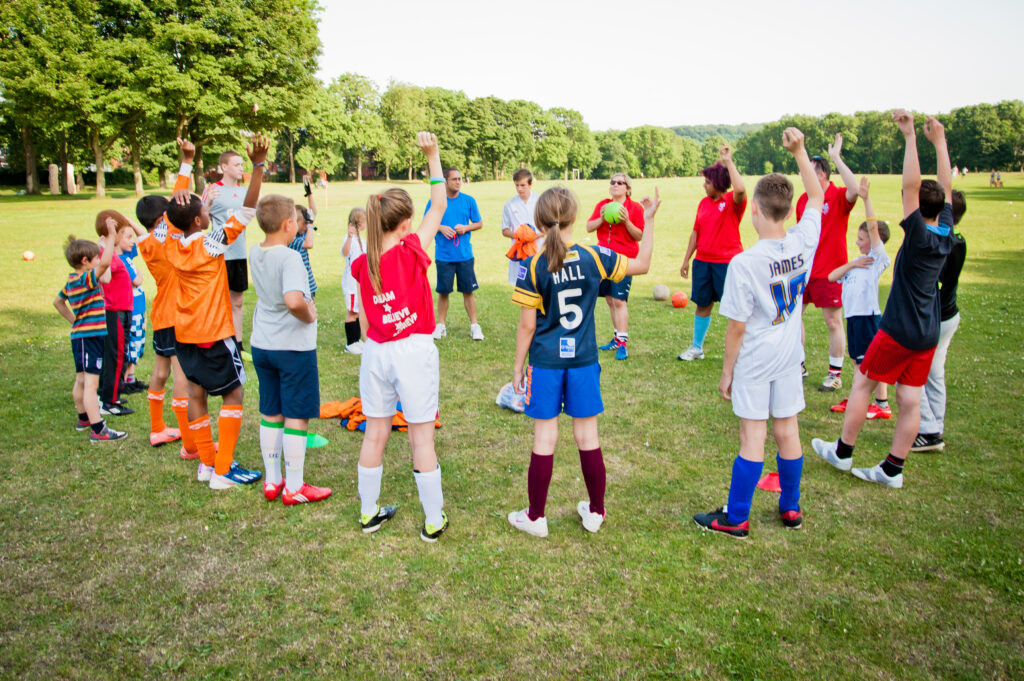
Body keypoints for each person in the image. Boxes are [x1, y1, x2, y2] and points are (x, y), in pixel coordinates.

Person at [812, 111, 954, 489]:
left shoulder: (921, 235)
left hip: (899, 329)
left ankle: (842, 453)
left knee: (862, 383)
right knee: (910, 399)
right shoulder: (945, 230)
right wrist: (939, 143)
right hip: (927, 332)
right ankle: (893, 469)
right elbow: (943, 188)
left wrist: (910, 137)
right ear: (943, 208)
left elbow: (911, 187)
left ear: (916, 209)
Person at [506, 186, 658, 538]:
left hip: (545, 362)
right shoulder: (595, 256)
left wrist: (517, 368)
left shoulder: (532, 265)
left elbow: (528, 325)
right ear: (575, 218)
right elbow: (644, 265)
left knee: (545, 438)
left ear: (539, 222)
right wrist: (647, 221)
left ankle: (536, 517)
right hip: (583, 360)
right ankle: (596, 510)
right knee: (587, 436)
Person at [693, 127, 822, 539]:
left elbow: (736, 327)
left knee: (754, 435)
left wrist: (727, 371)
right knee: (788, 430)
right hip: (788, 356)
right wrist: (800, 152)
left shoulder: (746, 263)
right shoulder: (803, 241)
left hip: (756, 358)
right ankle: (791, 508)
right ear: (787, 210)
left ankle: (737, 516)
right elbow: (817, 197)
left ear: (757, 212)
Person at [350, 131, 449, 542]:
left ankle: (368, 512)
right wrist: (433, 156)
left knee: (376, 433)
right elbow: (440, 204)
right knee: (421, 438)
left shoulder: (361, 263)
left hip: (376, 352)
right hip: (412, 351)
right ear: (405, 223)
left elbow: (361, 316)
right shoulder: (410, 249)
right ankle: (433, 519)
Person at [165, 133, 271, 490]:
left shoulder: (170, 243)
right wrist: (257, 166)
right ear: (197, 221)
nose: (207, 212)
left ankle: (207, 464)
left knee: (196, 394)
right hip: (214, 334)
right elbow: (249, 210)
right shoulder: (211, 245)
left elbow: (171, 214)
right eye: (203, 210)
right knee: (233, 395)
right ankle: (222, 470)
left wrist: (185, 166)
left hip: (184, 335)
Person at [249, 192, 331, 505]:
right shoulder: (290, 257)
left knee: (272, 410)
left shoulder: (257, 252)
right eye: (296, 219)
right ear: (288, 224)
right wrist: (310, 313)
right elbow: (294, 300)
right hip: (292, 346)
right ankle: (294, 486)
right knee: (296, 413)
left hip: (263, 343)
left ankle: (273, 481)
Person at [129, 144, 196, 451]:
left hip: (161, 316)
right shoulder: (167, 232)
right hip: (178, 317)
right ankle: (189, 442)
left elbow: (172, 201)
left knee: (159, 371)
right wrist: (186, 163)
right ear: (162, 217)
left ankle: (157, 428)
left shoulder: (145, 242)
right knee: (182, 378)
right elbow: (179, 196)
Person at [796, 134, 859, 392]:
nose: (803, 177)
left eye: (809, 172)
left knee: (833, 322)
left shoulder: (838, 195)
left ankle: (834, 374)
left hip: (830, 273)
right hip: (804, 271)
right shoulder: (803, 200)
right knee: (792, 317)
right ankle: (797, 364)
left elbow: (855, 190)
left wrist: (836, 158)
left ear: (822, 175)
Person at [54, 220, 126, 442]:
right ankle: (98, 429)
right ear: (85, 261)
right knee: (91, 384)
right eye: (95, 258)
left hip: (80, 336)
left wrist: (74, 321)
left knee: (81, 379)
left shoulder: (71, 280)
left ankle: (83, 418)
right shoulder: (86, 278)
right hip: (90, 337)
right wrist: (112, 235)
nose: (99, 261)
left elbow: (58, 302)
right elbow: (105, 263)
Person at [827, 178, 892, 420]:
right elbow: (832, 276)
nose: (858, 242)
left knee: (873, 362)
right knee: (858, 361)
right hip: (853, 319)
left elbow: (874, 229)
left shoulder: (876, 259)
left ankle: (881, 403)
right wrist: (852, 263)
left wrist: (866, 199)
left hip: (867, 318)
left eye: (862, 239)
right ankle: (858, 398)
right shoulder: (858, 263)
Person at [677, 146, 747, 361]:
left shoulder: (732, 203)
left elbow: (741, 189)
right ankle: (697, 347)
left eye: (707, 182)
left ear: (718, 183)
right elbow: (695, 233)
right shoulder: (703, 203)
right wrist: (687, 259)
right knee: (702, 304)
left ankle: (744, 350)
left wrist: (728, 161)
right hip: (703, 262)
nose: (704, 185)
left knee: (736, 308)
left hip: (727, 263)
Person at [912, 190, 967, 452]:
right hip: (949, 314)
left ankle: (928, 428)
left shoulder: (939, 244)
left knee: (913, 372)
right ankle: (936, 426)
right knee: (935, 373)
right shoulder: (958, 240)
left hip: (934, 317)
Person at [588, 173, 645, 360]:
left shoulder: (634, 208)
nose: (615, 185)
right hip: (603, 258)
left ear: (627, 188)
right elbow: (589, 227)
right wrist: (602, 218)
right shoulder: (602, 205)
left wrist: (627, 221)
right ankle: (615, 338)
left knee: (619, 301)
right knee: (610, 299)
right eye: (613, 182)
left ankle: (623, 343)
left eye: (620, 183)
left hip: (624, 258)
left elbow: (639, 235)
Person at [428, 167, 484, 341]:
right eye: (454, 179)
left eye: (460, 179)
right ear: (445, 181)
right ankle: (441, 326)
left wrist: (466, 227)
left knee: (468, 291)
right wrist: (440, 227)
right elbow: (427, 223)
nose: (459, 182)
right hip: (444, 256)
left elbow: (479, 223)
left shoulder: (468, 201)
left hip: (464, 255)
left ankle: (475, 326)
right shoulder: (436, 202)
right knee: (443, 292)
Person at [203, 148, 248, 347]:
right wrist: (208, 202)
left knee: (237, 301)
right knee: (220, 302)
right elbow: (202, 221)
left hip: (239, 253)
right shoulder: (212, 190)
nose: (241, 168)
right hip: (220, 254)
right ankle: (221, 342)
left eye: (241, 164)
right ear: (224, 167)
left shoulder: (244, 192)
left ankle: (237, 344)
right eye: (237, 164)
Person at [95, 212, 136, 417]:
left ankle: (110, 392)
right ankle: (108, 401)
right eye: (120, 233)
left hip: (124, 310)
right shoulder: (105, 255)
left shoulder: (116, 254)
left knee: (120, 354)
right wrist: (107, 239)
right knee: (115, 355)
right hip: (114, 312)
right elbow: (106, 277)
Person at [501, 168, 541, 285]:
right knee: (522, 287)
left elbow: (551, 224)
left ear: (530, 184)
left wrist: (537, 235)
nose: (519, 189)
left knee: (540, 284)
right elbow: (504, 230)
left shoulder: (540, 201)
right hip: (519, 252)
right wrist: (519, 236)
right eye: (517, 185)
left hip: (539, 248)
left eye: (523, 185)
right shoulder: (510, 204)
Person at [119, 241, 148, 394]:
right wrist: (139, 272)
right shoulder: (121, 259)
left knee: (138, 345)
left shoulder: (126, 255)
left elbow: (141, 235)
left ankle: (130, 379)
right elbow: (137, 280)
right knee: (132, 345)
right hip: (133, 309)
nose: (132, 241)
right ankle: (124, 381)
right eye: (127, 237)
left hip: (139, 307)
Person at [288, 173, 318, 299]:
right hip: (299, 286)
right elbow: (309, 244)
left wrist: (309, 194)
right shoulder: (291, 239)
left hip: (309, 285)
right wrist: (310, 224)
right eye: (304, 223)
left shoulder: (302, 232)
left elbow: (313, 213)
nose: (306, 226)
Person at [341, 207, 367, 354]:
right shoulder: (349, 239)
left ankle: (357, 340)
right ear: (359, 224)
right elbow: (345, 253)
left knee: (358, 311)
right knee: (352, 312)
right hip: (351, 283)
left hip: (360, 282)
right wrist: (350, 237)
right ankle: (350, 343)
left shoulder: (362, 240)